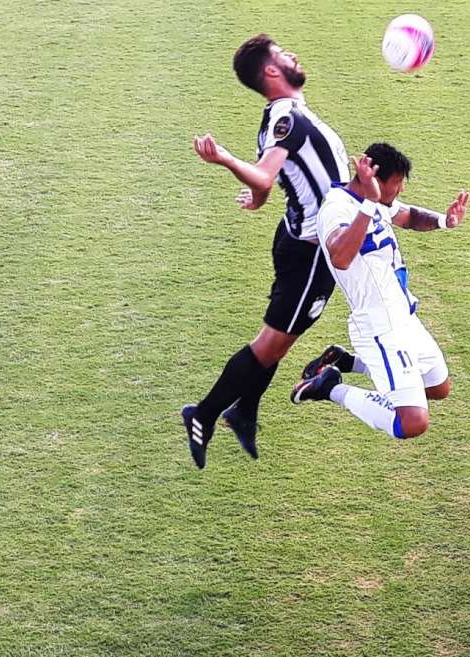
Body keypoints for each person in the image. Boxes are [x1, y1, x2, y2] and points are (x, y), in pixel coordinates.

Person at [183, 34, 349, 469]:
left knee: (280, 342)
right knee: (269, 345)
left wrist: (256, 198)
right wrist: (226, 162)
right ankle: (203, 412)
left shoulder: (278, 117)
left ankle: (245, 412)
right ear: (272, 71)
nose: (293, 53)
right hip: (313, 252)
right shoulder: (287, 118)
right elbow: (263, 174)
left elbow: (273, 180)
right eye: (283, 53)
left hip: (302, 241)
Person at [291, 143, 470, 441]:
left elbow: (410, 216)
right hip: (379, 325)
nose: (399, 190)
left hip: (404, 317)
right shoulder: (337, 208)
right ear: (373, 179)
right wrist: (370, 204)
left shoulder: (377, 203)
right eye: (396, 183)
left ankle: (349, 362)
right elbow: (340, 256)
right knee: (412, 422)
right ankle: (329, 387)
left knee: (439, 388)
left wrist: (444, 220)